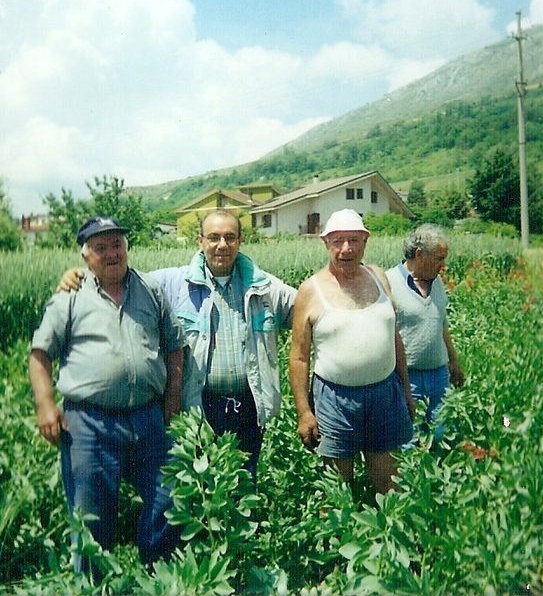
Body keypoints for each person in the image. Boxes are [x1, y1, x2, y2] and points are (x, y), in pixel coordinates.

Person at [58, 209, 296, 485]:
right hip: (199, 403)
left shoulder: (263, 286)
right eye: (214, 237)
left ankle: (241, 527)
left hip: (250, 404)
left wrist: (349, 280)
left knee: (245, 480)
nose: (222, 245)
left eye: (230, 237)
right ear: (200, 241)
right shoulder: (172, 283)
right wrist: (79, 276)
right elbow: (120, 278)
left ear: (241, 241)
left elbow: (306, 307)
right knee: (200, 483)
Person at [28, 216, 185, 572]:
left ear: (126, 248)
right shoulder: (68, 298)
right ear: (86, 256)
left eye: (117, 245)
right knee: (91, 515)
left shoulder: (150, 289)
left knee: (170, 496)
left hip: (148, 417)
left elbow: (175, 346)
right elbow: (40, 356)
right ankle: (93, 584)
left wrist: (172, 395)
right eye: (101, 247)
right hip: (88, 424)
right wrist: (45, 405)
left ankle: (157, 574)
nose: (112, 253)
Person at [289, 209, 415, 496]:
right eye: (338, 241)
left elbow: (394, 337)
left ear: (365, 242)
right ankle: (337, 541)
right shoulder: (311, 290)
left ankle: (387, 535)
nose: (346, 249)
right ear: (326, 244)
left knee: (389, 485)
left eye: (354, 240)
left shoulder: (379, 277)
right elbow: (298, 356)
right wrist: (304, 412)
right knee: (337, 490)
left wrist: (405, 390)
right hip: (335, 399)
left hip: (385, 393)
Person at [386, 224, 464, 438]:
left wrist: (453, 361)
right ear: (419, 254)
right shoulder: (389, 282)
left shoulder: (436, 282)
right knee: (410, 439)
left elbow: (441, 323)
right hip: (407, 377)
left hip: (439, 375)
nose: (443, 265)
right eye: (439, 258)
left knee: (443, 434)